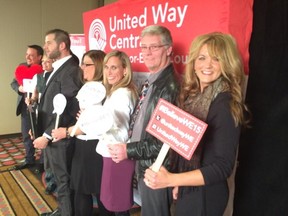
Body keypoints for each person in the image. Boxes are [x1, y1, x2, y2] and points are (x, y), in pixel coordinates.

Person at [143, 32, 249, 216]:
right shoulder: (194, 97)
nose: (207, 65)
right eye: (201, 57)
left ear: (227, 63)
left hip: (206, 195)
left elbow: (222, 167)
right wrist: (179, 182)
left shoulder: (224, 103)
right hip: (190, 188)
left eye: (216, 59)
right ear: (193, 62)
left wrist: (171, 179)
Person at [108, 25, 179, 216]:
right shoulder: (153, 81)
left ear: (169, 49)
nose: (147, 53)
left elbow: (166, 143)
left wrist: (127, 150)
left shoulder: (170, 87)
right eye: (143, 47)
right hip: (146, 164)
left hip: (157, 169)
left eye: (154, 47)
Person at [51, 50, 114, 216]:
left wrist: (71, 129)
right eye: (82, 63)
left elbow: (104, 122)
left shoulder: (106, 91)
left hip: (96, 146)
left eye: (87, 64)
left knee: (101, 194)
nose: (82, 67)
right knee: (80, 190)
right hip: (81, 143)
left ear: (98, 66)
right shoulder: (86, 87)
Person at [33, 29, 82, 216]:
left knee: (64, 181)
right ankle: (63, 211)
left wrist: (46, 135)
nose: (45, 47)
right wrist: (39, 130)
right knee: (61, 180)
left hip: (60, 137)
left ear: (62, 45)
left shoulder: (70, 70)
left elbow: (68, 108)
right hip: (53, 134)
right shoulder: (60, 67)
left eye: (49, 43)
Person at [96, 50, 138, 216]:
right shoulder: (116, 91)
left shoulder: (122, 94)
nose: (109, 72)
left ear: (125, 70)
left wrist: (93, 125)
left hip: (117, 155)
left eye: (114, 67)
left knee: (118, 206)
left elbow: (119, 132)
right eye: (107, 67)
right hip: (113, 154)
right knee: (116, 205)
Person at [10, 45, 44, 172]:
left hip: (40, 107)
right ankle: (29, 159)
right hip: (25, 105)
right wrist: (20, 89)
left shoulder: (44, 68)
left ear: (39, 57)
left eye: (31, 55)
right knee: (26, 134)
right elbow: (13, 83)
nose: (27, 57)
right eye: (27, 54)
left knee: (40, 133)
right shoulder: (22, 66)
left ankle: (42, 162)